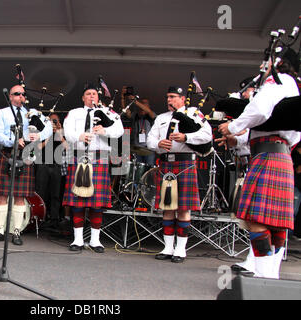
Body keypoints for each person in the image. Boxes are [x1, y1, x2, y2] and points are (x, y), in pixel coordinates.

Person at [218, 48, 300, 279]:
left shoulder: (276, 80)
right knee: (276, 225)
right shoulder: (294, 86)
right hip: (281, 155)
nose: (262, 66)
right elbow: (271, 125)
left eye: (267, 60)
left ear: (278, 61)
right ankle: (271, 278)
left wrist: (232, 127)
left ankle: (263, 280)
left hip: (267, 157)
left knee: (257, 221)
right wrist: (239, 139)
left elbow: (260, 109)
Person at [147, 86, 213, 263]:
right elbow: (149, 140)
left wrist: (186, 138)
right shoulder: (161, 118)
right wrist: (159, 144)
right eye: (168, 97)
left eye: (173, 97)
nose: (169, 100)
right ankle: (168, 248)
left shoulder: (193, 114)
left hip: (185, 162)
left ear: (183, 99)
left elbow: (207, 135)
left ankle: (180, 250)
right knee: (168, 207)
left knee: (183, 209)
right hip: (166, 163)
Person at [62, 83, 124, 253]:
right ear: (83, 97)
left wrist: (105, 131)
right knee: (78, 202)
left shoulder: (109, 113)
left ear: (99, 97)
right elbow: (67, 132)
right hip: (79, 157)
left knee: (97, 204)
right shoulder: (74, 113)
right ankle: (78, 240)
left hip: (100, 158)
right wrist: (79, 136)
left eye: (94, 94)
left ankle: (95, 241)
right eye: (88, 94)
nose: (91, 96)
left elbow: (119, 131)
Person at [0, 84, 52, 245]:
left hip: (25, 156)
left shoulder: (31, 114)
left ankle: (16, 231)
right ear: (10, 96)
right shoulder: (1, 113)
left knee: (20, 196)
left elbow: (48, 129)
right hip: (7, 153)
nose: (20, 96)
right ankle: (0, 230)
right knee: (2, 195)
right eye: (17, 94)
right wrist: (14, 140)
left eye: (23, 94)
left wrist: (36, 137)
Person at [36, 113, 67, 230]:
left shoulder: (61, 133)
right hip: (43, 165)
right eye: (51, 121)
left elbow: (67, 147)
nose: (53, 123)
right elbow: (36, 148)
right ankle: (40, 218)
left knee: (56, 194)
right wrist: (49, 134)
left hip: (56, 166)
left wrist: (59, 133)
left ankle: (54, 219)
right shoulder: (43, 131)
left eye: (56, 121)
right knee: (41, 193)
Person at [121, 87, 157, 166]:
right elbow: (125, 111)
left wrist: (135, 101)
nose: (142, 105)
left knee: (149, 170)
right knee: (137, 171)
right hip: (137, 149)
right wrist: (122, 97)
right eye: (142, 103)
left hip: (149, 149)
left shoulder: (151, 115)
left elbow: (148, 111)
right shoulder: (135, 115)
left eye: (145, 103)